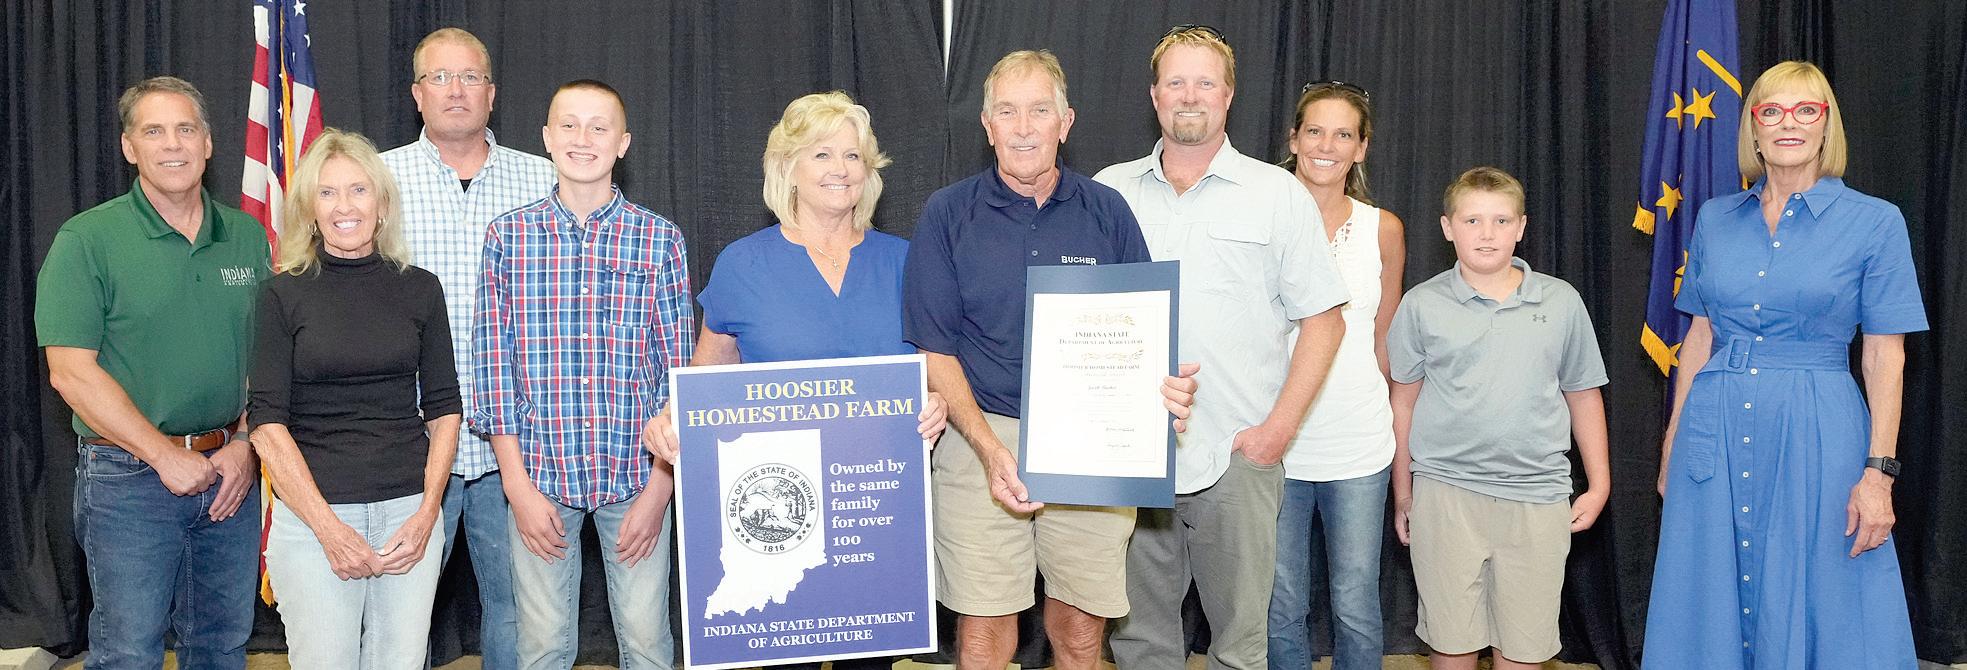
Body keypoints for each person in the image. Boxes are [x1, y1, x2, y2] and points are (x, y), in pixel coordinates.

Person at [905, 50, 1198, 670]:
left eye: (1040, 110)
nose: (1023, 127)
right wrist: (990, 451)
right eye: (1007, 111)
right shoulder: (946, 214)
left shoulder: (1107, 211)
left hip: (1092, 444)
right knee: (983, 634)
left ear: (1066, 122)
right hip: (980, 432)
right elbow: (935, 349)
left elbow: (1141, 333)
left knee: (1081, 633)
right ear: (986, 125)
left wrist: (1163, 391)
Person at [643, 90, 948, 670]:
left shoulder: (907, 261)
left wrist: (936, 403)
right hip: (780, 507)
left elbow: (937, 366)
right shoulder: (742, 263)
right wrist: (669, 419)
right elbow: (708, 377)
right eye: (822, 154)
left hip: (874, 506)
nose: (840, 168)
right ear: (788, 168)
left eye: (853, 156)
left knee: (870, 660)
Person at [1643, 61, 1925, 669]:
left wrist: (1879, 475)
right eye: (1771, 111)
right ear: (1754, 128)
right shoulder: (1715, 218)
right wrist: (1672, 442)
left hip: (1820, 429)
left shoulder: (1875, 222)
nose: (1787, 123)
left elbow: (1885, 354)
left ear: (1827, 125)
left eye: (1805, 110)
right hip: (1713, 428)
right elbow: (1700, 337)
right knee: (1707, 588)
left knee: (1830, 587)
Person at [1094, 27, 1348, 670]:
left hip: (1238, 456)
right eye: (1176, 82)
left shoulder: (1276, 194)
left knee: (1240, 646)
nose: (1190, 95)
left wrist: (1275, 434)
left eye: (1205, 82)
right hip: (1131, 460)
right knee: (1140, 644)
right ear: (1154, 95)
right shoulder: (1108, 192)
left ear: (1229, 95)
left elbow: (1325, 321)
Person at [36, 76, 267, 670]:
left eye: (186, 129)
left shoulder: (246, 237)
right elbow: (70, 372)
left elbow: (267, 359)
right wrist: (165, 456)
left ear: (208, 143)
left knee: (221, 645)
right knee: (128, 652)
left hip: (229, 477)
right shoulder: (87, 240)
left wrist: (244, 443)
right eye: (154, 131)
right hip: (128, 480)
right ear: (129, 147)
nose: (173, 144)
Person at [473, 79, 690, 670]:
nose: (583, 138)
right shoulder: (509, 238)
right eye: (569, 125)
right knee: (541, 644)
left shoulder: (659, 240)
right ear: (547, 138)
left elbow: (676, 377)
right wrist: (517, 488)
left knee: (647, 641)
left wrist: (660, 491)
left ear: (623, 143)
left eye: (600, 127)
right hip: (540, 475)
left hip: (636, 475)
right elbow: (494, 369)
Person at [248, 129, 460, 670]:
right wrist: (328, 528)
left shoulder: (421, 289)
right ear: (309, 210)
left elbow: (444, 408)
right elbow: (266, 426)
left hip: (409, 516)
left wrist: (428, 512)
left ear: (382, 204)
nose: (344, 206)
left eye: (358, 190)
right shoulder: (281, 295)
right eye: (327, 192)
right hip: (314, 521)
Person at [1386, 167, 1610, 670]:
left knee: (1524, 647)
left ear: (1521, 227)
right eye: (1472, 220)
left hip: (1537, 496)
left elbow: (1583, 395)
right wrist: (1403, 493)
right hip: (1445, 493)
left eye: (1501, 220)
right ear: (1447, 227)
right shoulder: (1421, 304)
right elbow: (1403, 403)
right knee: (1451, 642)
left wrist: (1599, 486)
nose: (1486, 233)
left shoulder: (1561, 301)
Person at [380, 28, 555, 670]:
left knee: (520, 607)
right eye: (440, 77)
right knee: (400, 607)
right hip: (408, 435)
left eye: (471, 76)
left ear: (492, 93)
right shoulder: (377, 180)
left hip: (520, 440)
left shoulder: (545, 179)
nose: (456, 90)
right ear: (417, 94)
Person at [1266, 80, 1405, 670]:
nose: (1327, 146)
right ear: (1293, 139)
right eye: (1315, 131)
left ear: (1361, 147)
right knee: (1280, 604)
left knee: (1355, 604)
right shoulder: (1261, 218)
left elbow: (1384, 343)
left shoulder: (1383, 229)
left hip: (1358, 446)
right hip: (1274, 446)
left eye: (1343, 134)